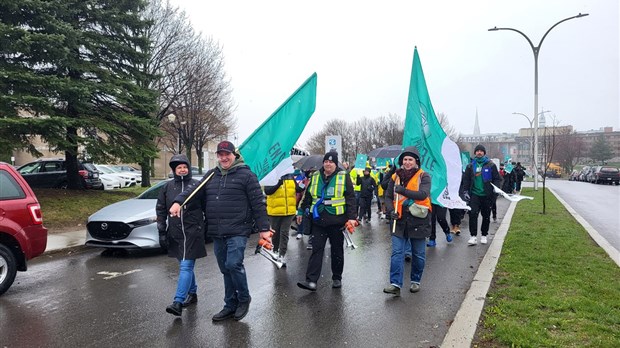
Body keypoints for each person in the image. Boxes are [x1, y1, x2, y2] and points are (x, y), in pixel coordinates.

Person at [169, 140, 272, 322]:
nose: (224, 158)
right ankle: (229, 304)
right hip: (217, 230)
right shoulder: (211, 175)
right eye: (220, 154)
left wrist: (264, 228)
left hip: (238, 229)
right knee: (225, 269)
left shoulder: (247, 175)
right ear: (217, 156)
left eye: (227, 154)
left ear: (234, 155)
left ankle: (243, 299)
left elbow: (257, 203)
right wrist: (178, 202)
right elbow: (193, 191)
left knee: (233, 264)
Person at [296, 151, 357, 291]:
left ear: (335, 164)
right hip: (318, 220)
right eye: (326, 162)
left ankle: (336, 277)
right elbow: (308, 197)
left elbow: (351, 198)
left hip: (336, 221)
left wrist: (352, 218)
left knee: (336, 251)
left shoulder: (343, 176)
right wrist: (300, 211)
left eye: (331, 162)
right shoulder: (315, 176)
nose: (328, 164)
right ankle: (311, 281)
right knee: (316, 250)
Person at [156, 154, 207, 317]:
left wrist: (208, 227)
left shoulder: (196, 185)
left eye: (185, 166)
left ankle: (178, 301)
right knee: (184, 265)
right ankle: (193, 293)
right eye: (179, 167)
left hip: (193, 232)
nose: (182, 169)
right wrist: (162, 231)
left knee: (186, 266)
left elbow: (206, 206)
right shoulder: (167, 187)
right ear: (174, 170)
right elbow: (161, 209)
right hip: (175, 232)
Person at [383, 147, 432, 296]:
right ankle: (395, 284)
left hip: (418, 220)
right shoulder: (395, 177)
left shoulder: (424, 176)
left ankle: (415, 281)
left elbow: (423, 194)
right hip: (399, 220)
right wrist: (391, 211)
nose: (407, 162)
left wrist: (403, 191)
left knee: (418, 254)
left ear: (416, 161)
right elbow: (388, 196)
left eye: (410, 159)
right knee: (397, 252)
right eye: (405, 159)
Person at [460, 144, 501, 246]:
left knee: (486, 216)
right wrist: (465, 191)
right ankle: (473, 236)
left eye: (481, 151)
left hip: (487, 195)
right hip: (474, 195)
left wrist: (495, 189)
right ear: (475, 153)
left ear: (484, 153)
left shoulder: (490, 165)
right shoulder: (470, 166)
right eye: (477, 151)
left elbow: (497, 179)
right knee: (473, 215)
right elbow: (466, 180)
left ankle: (484, 235)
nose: (479, 152)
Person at [264, 173, 301, 266]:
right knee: (275, 233)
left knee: (284, 233)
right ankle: (275, 250)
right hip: (275, 211)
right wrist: (278, 183)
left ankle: (282, 255)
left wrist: (303, 185)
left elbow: (297, 188)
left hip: (289, 211)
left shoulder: (290, 176)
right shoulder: (271, 175)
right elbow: (267, 191)